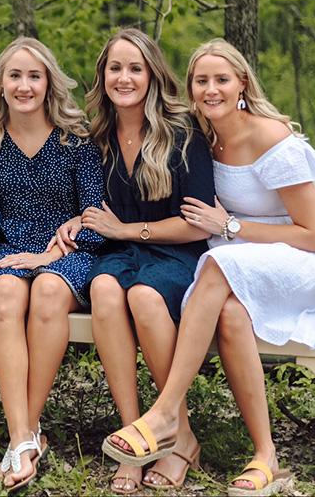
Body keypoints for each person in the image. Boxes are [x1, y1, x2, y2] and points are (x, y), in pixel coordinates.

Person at [99, 38, 315, 497]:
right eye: (201, 81)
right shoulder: (203, 136)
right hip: (238, 258)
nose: (211, 90)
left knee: (217, 265)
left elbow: (314, 235)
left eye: (221, 80)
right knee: (229, 313)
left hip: (292, 259)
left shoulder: (270, 137)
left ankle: (166, 412)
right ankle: (266, 454)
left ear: (241, 83)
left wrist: (229, 226)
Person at [0, 37, 104, 492]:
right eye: (15, 76)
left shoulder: (76, 138)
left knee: (47, 289)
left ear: (49, 83)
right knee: (7, 293)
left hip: (69, 250)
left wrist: (50, 255)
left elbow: (94, 214)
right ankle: (22, 436)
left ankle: (24, 432)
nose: (24, 86)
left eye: (34, 76)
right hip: (11, 247)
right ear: (2, 83)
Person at [51, 28, 214, 494]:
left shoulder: (183, 133)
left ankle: (179, 434)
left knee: (144, 296)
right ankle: (135, 437)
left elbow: (198, 224)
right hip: (119, 252)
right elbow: (28, 109)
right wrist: (78, 220)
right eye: (115, 68)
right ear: (102, 76)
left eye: (135, 69)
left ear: (152, 76)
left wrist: (127, 230)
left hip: (176, 251)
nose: (124, 78)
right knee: (103, 288)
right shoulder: (97, 135)